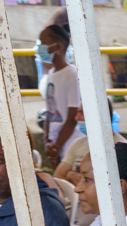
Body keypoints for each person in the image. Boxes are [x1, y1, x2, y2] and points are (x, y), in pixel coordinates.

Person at [54, 100, 127, 186]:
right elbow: (58, 176)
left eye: (82, 113)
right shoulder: (78, 143)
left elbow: (108, 186)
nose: (76, 118)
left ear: (98, 116)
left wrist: (70, 175)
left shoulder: (122, 149)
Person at [38, 24, 82, 168]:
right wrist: (47, 140)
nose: (40, 47)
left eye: (43, 42)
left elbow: (72, 118)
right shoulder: (51, 74)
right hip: (55, 142)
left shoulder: (71, 74)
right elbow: (49, 111)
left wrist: (56, 146)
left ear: (58, 46)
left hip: (68, 142)